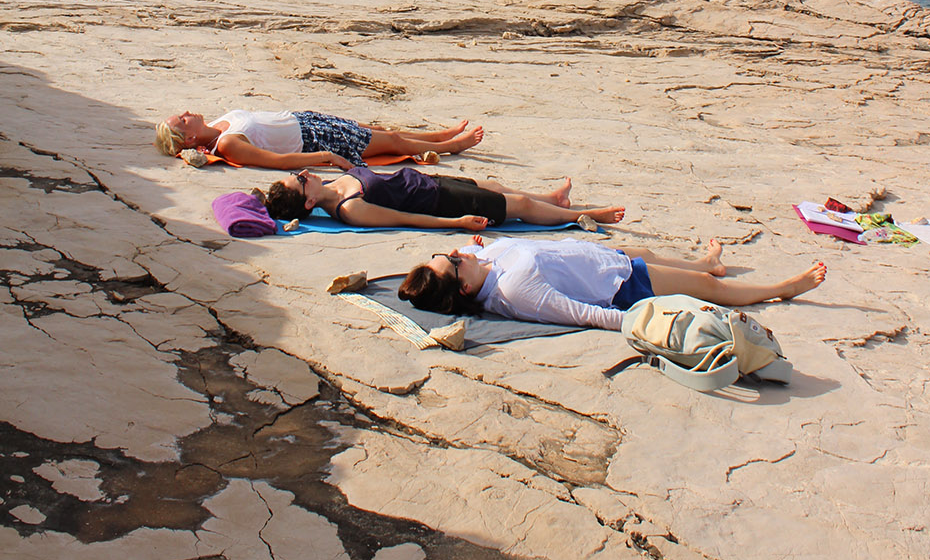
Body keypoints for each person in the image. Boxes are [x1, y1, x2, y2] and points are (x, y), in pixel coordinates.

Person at [397, 236, 827, 329]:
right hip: (620, 285)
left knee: (650, 252)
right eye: (454, 261)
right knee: (709, 289)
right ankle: (783, 289)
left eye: (449, 252)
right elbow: (579, 314)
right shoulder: (515, 291)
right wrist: (631, 322)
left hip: (600, 259)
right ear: (464, 288)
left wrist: (475, 248)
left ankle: (706, 261)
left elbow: (475, 250)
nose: (458, 253)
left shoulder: (481, 262)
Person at [264, 168, 626, 232]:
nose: (304, 173)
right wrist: (456, 223)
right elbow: (405, 219)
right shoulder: (350, 208)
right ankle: (587, 214)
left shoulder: (330, 184)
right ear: (309, 203)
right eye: (300, 180)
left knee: (494, 186)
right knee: (520, 208)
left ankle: (553, 199)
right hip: (442, 202)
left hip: (429, 182)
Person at [155, 108, 483, 170]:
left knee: (381, 131)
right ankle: (451, 146)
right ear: (189, 137)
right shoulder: (227, 144)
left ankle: (440, 136)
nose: (186, 113)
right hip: (315, 139)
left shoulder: (215, 124)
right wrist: (325, 157)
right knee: (393, 141)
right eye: (182, 120)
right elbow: (279, 161)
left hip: (306, 120)